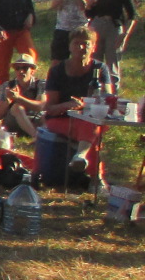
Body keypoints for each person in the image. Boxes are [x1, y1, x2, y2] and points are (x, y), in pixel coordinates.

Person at [44, 27, 113, 181]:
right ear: (69, 46)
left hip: (91, 118)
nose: (81, 47)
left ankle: (81, 158)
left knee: (91, 126)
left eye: (86, 44)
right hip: (61, 118)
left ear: (93, 47)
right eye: (77, 43)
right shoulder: (57, 71)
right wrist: (67, 105)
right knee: (92, 132)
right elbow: (49, 109)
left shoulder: (100, 69)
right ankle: (96, 178)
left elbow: (108, 99)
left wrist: (95, 102)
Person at [86, 0, 136, 86]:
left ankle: (113, 89)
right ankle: (95, 87)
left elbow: (132, 15)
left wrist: (124, 34)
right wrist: (89, 6)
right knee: (94, 59)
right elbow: (88, 15)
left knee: (112, 59)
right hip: (96, 26)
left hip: (113, 27)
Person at [0, 53, 44, 141]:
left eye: (25, 68)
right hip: (14, 122)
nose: (21, 71)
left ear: (32, 71)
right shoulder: (7, 85)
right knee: (17, 107)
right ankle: (36, 136)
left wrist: (18, 98)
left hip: (35, 119)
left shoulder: (41, 84)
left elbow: (40, 106)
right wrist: (8, 101)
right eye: (17, 68)